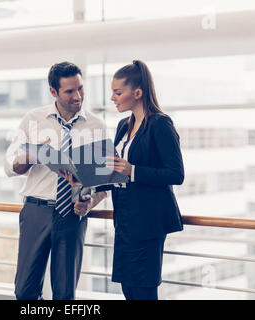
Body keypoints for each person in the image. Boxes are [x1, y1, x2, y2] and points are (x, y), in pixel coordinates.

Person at [4, 61, 107, 300]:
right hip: (35, 211)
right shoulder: (33, 119)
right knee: (25, 292)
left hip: (72, 215)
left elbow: (103, 184)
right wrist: (30, 156)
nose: (78, 96)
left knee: (64, 294)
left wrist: (89, 203)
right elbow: (10, 165)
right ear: (53, 91)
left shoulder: (96, 126)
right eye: (69, 91)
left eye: (80, 88)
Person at [102, 59, 185, 300]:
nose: (113, 98)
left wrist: (133, 170)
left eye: (118, 92)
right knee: (128, 289)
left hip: (148, 222)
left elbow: (176, 174)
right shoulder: (122, 126)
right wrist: (85, 179)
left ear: (137, 93)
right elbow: (119, 170)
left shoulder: (160, 124)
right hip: (125, 220)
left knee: (144, 291)